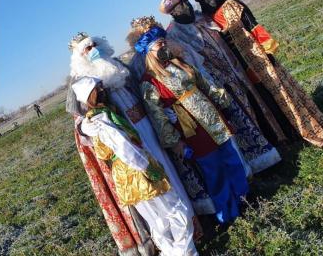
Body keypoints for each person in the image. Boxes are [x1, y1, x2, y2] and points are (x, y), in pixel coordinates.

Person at [67, 32, 214, 217]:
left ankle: (190, 214)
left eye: (94, 45)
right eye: (87, 49)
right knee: (149, 178)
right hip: (125, 135)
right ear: (80, 57)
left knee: (167, 166)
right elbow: (79, 118)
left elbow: (143, 91)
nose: (93, 50)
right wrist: (83, 127)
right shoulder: (79, 81)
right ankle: (174, 223)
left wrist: (163, 107)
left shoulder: (117, 65)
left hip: (147, 123)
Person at [154, 0, 282, 174]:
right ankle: (259, 163)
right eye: (181, 4)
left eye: (187, 1)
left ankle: (274, 140)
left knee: (256, 104)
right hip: (216, 84)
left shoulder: (202, 18)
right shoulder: (173, 36)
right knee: (239, 121)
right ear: (173, 11)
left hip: (235, 70)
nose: (186, 5)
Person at [135, 21, 249, 224]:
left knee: (231, 159)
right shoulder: (149, 82)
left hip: (212, 118)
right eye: (159, 44)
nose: (164, 47)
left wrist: (223, 101)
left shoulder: (180, 63)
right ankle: (228, 212)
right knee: (214, 171)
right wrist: (175, 142)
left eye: (164, 42)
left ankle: (244, 198)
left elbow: (205, 84)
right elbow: (158, 117)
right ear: (148, 51)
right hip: (193, 130)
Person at [193, 0, 323, 147]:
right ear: (201, 0)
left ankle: (302, 127)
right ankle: (283, 133)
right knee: (264, 98)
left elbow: (254, 27)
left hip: (257, 57)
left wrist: (268, 49)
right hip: (238, 66)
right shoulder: (206, 21)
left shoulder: (231, 6)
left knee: (278, 90)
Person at [73, 76, 198, 255]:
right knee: (176, 210)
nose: (102, 91)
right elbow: (123, 146)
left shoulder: (99, 116)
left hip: (124, 175)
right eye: (97, 89)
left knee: (157, 219)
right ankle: (185, 253)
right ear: (90, 96)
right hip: (137, 170)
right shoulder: (101, 118)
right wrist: (147, 168)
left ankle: (172, 252)